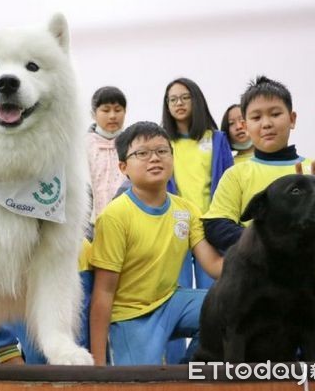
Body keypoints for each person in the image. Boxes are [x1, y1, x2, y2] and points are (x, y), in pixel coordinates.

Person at [202, 76, 315, 360]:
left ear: (292, 118)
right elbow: (217, 224)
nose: (266, 123)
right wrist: (273, 245)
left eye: (275, 114)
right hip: (257, 298)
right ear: (244, 124)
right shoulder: (237, 175)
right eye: (256, 116)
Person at [89, 121, 224, 366]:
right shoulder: (114, 216)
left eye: (162, 151)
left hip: (172, 301)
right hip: (131, 316)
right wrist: (98, 365)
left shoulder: (186, 209)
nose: (154, 158)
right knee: (140, 383)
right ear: (123, 167)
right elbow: (104, 292)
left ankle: (187, 370)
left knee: (229, 306)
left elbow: (214, 265)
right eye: (142, 153)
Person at [161, 77, 233, 290]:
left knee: (212, 291)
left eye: (185, 98)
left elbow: (229, 182)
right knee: (176, 290)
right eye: (172, 100)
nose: (179, 104)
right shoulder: (163, 141)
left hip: (209, 227)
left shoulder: (217, 139)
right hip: (175, 225)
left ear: (196, 100)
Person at [87, 86, 127, 222]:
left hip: (126, 218)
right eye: (105, 110)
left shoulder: (132, 144)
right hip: (90, 222)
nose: (112, 116)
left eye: (118, 110)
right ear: (93, 113)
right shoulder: (83, 145)